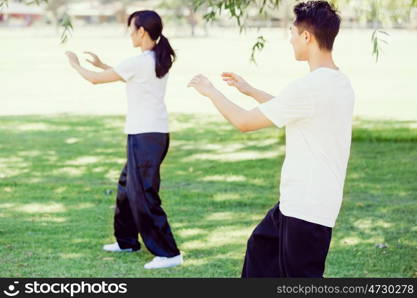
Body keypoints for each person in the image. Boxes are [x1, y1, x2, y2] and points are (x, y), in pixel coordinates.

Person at [188, 1, 354, 277]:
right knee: (260, 250)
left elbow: (244, 122)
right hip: (298, 201)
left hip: (307, 207)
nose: (289, 39)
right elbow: (296, 111)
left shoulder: (309, 87)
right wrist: (251, 91)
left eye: (292, 32)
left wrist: (211, 92)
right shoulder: (338, 82)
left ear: (306, 36)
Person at [65, 10, 182, 270]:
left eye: (131, 29)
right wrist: (102, 65)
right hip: (150, 134)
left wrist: (75, 64)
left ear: (142, 32)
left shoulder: (139, 61)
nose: (129, 34)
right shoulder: (155, 58)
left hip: (146, 136)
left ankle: (169, 253)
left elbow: (96, 81)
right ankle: (127, 241)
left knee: (143, 194)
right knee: (127, 188)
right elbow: (125, 75)